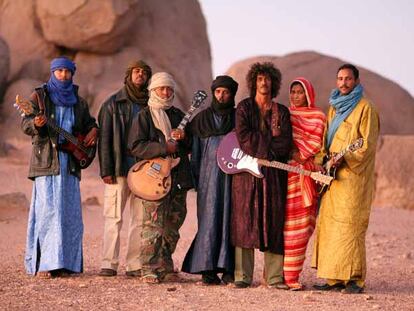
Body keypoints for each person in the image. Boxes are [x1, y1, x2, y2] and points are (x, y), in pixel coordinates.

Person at [22, 56, 98, 278]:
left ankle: (67, 263)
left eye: (67, 71)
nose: (63, 75)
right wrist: (35, 124)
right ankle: (47, 263)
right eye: (59, 71)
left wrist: (94, 130)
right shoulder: (39, 96)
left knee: (70, 215)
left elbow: (89, 123)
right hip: (47, 162)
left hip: (70, 165)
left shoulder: (78, 101)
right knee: (48, 213)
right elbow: (25, 124)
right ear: (52, 72)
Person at [312, 64, 380, 294]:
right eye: (340, 78)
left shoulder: (366, 108)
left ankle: (354, 279)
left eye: (348, 79)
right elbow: (325, 142)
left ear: (357, 81)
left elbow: (367, 145)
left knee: (350, 227)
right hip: (333, 178)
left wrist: (346, 159)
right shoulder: (333, 109)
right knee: (331, 227)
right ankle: (334, 279)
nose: (343, 83)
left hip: (353, 178)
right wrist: (324, 161)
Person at [231, 62, 293, 288]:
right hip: (245, 174)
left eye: (267, 79)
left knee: (274, 222)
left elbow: (285, 142)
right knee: (243, 221)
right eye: (259, 79)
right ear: (253, 82)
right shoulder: (244, 108)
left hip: (274, 175)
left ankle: (275, 277)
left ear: (273, 83)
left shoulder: (282, 112)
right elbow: (243, 136)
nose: (264, 83)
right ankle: (242, 276)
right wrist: (267, 148)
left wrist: (267, 152)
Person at [128, 72, 193, 283]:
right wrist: (164, 147)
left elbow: (191, 146)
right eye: (161, 89)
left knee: (173, 225)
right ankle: (148, 267)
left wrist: (185, 138)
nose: (165, 92)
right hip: (153, 179)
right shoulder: (144, 116)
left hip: (178, 178)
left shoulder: (178, 115)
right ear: (152, 91)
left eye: (169, 89)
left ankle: (165, 265)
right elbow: (136, 146)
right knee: (152, 225)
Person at [182, 75, 238, 285]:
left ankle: (229, 269)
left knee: (230, 221)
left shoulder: (238, 118)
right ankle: (207, 269)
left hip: (233, 179)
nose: (221, 95)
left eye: (226, 92)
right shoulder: (200, 119)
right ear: (213, 93)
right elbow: (190, 148)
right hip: (207, 179)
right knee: (208, 221)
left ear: (232, 94)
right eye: (218, 92)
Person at [98, 60, 152, 277]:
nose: (140, 75)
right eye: (136, 71)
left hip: (143, 172)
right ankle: (108, 263)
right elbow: (104, 139)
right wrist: (106, 170)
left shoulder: (152, 104)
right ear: (129, 75)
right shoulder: (112, 103)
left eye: (144, 72)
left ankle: (134, 265)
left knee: (139, 220)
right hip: (119, 169)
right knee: (114, 218)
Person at [282, 77, 326, 290]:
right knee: (285, 226)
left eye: (300, 92)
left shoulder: (318, 116)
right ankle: (282, 276)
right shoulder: (284, 115)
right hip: (286, 174)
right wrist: (293, 153)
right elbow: (281, 140)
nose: (296, 96)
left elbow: (319, 143)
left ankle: (292, 275)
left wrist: (304, 155)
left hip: (307, 175)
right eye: (293, 92)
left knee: (302, 227)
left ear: (308, 94)